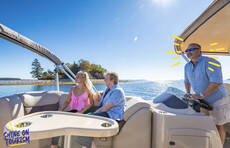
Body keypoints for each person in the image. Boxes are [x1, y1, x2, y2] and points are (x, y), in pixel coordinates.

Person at [184, 43, 230, 146]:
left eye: (191, 49)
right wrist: (188, 92)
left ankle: (220, 146)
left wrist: (201, 95)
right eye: (186, 51)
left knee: (219, 125)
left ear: (200, 50)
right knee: (206, 123)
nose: (188, 52)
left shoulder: (211, 62)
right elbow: (187, 81)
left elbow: (216, 82)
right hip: (202, 99)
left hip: (217, 99)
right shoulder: (187, 66)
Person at [77, 72, 125, 148]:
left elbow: (106, 108)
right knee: (82, 119)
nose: (104, 80)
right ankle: (90, 145)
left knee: (86, 119)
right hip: (105, 113)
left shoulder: (117, 91)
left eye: (105, 79)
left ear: (112, 80)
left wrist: (93, 114)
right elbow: (100, 104)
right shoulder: (108, 89)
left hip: (111, 116)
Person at [51, 71, 95, 148]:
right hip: (73, 112)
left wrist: (81, 112)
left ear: (83, 78)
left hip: (83, 113)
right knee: (57, 122)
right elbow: (67, 101)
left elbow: (91, 103)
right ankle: (54, 145)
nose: (75, 78)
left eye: (78, 76)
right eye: (76, 76)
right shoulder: (72, 89)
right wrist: (61, 110)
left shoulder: (88, 90)